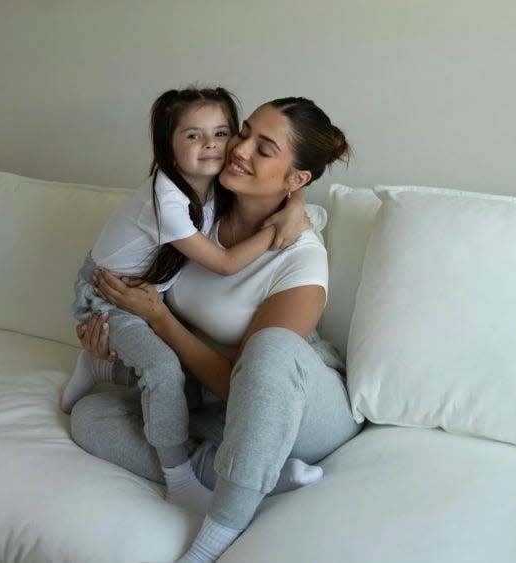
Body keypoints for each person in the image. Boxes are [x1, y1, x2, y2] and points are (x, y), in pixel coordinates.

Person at [71, 97, 362, 563]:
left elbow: (246, 384)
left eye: (263, 149)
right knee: (90, 418)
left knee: (268, 350)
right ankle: (229, 468)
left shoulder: (301, 256)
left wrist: (159, 319)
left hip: (299, 403)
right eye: (242, 132)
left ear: (296, 179)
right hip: (212, 399)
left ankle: (214, 537)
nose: (239, 149)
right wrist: (113, 339)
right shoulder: (195, 211)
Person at [60, 87, 311, 510]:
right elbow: (226, 263)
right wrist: (274, 230)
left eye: (222, 132)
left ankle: (232, 470)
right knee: (120, 400)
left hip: (206, 373)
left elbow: (289, 177)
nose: (214, 145)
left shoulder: (219, 185)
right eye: (193, 136)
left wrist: (294, 204)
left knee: (170, 383)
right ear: (167, 149)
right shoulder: (168, 200)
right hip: (113, 298)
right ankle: (185, 476)